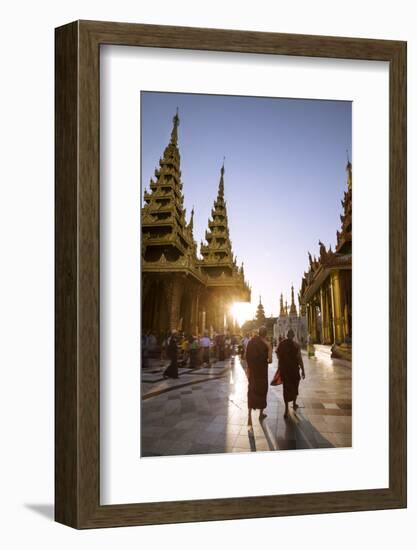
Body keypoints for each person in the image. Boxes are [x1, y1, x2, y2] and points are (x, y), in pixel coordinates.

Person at [245, 326, 272, 426]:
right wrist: (269, 348)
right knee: (262, 391)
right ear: (265, 334)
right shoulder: (267, 344)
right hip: (262, 373)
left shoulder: (251, 342)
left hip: (252, 372)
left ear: (259, 333)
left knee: (251, 391)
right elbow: (270, 360)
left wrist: (248, 369)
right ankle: (261, 414)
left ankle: (249, 416)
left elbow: (246, 356)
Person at [276, 328, 305, 418]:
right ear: (293, 336)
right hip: (294, 370)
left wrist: (281, 364)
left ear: (287, 335)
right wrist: (303, 370)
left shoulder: (281, 344)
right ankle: (294, 403)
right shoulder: (296, 345)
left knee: (286, 389)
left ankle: (286, 409)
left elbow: (278, 355)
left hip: (285, 370)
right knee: (295, 387)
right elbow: (299, 358)